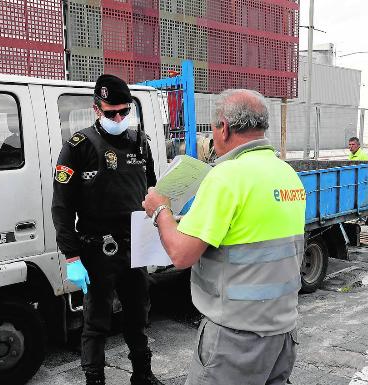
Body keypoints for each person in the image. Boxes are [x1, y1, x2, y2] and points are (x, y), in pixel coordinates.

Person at [143, 89, 305, 385]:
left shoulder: (226, 176)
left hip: (236, 339)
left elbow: (181, 255)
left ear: (225, 128)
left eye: (213, 128)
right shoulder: (286, 173)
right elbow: (251, 232)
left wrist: (159, 211)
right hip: (282, 334)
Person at [52, 74, 162, 385]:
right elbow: (61, 206)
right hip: (98, 248)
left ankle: (143, 373)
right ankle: (95, 379)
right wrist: (71, 256)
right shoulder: (78, 147)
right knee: (96, 322)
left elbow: (151, 187)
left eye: (124, 111)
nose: (118, 118)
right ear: (96, 109)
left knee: (138, 316)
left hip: (135, 243)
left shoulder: (140, 142)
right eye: (111, 112)